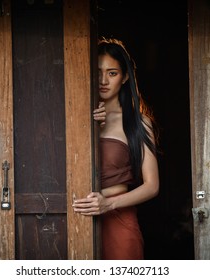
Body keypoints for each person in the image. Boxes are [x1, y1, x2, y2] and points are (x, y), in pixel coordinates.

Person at [72, 38, 160, 260]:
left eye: (112, 73)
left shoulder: (139, 123)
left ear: (125, 77)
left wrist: (107, 204)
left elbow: (152, 186)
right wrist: (87, 125)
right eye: (98, 71)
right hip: (76, 220)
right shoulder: (76, 116)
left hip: (119, 220)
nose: (103, 80)